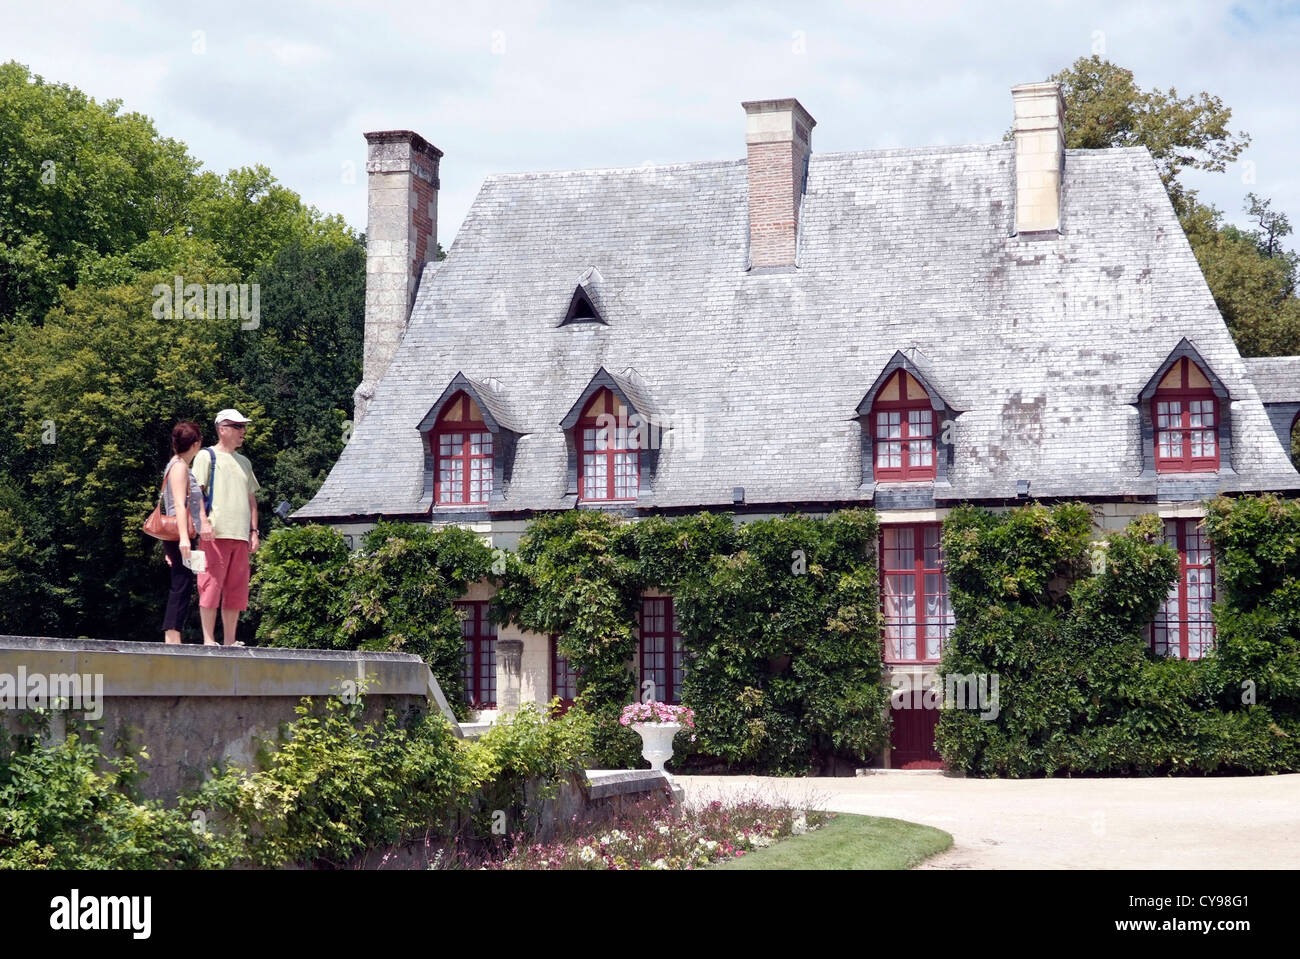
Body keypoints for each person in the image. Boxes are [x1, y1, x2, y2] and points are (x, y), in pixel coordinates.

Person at [192, 409, 262, 646]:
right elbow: (195, 493)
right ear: (222, 429)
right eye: (238, 426)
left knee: (237, 590)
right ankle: (209, 639)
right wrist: (202, 522)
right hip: (214, 534)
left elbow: (251, 499)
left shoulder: (245, 462)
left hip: (240, 535)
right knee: (210, 584)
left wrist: (254, 532)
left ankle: (230, 640)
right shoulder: (206, 456)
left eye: (243, 427)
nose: (243, 431)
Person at [161, 421, 214, 644]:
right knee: (181, 584)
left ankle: (174, 634)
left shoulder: (179, 465)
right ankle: (172, 636)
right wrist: (183, 538)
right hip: (180, 533)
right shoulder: (179, 467)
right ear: (196, 443)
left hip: (180, 534)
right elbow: (179, 505)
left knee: (184, 582)